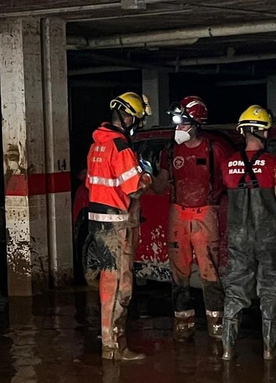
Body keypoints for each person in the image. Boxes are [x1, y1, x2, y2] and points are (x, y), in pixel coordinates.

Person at [218, 106, 276, 362]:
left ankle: (228, 351)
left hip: (239, 237)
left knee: (235, 291)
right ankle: (269, 351)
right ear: (263, 131)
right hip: (269, 237)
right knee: (270, 291)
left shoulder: (229, 164)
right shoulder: (275, 164)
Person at [160, 96, 232, 347]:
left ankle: (217, 328)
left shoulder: (216, 148)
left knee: (209, 271)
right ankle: (183, 327)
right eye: (177, 123)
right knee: (178, 272)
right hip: (178, 213)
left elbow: (230, 181)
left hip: (206, 213)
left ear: (196, 123)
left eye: (182, 122)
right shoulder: (169, 151)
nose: (177, 128)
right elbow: (161, 184)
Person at [85, 91, 151, 362]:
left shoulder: (95, 144)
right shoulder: (120, 146)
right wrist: (146, 174)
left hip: (97, 220)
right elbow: (133, 186)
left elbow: (91, 183)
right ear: (126, 117)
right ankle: (113, 347)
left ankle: (110, 343)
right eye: (134, 119)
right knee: (119, 284)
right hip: (115, 221)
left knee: (109, 278)